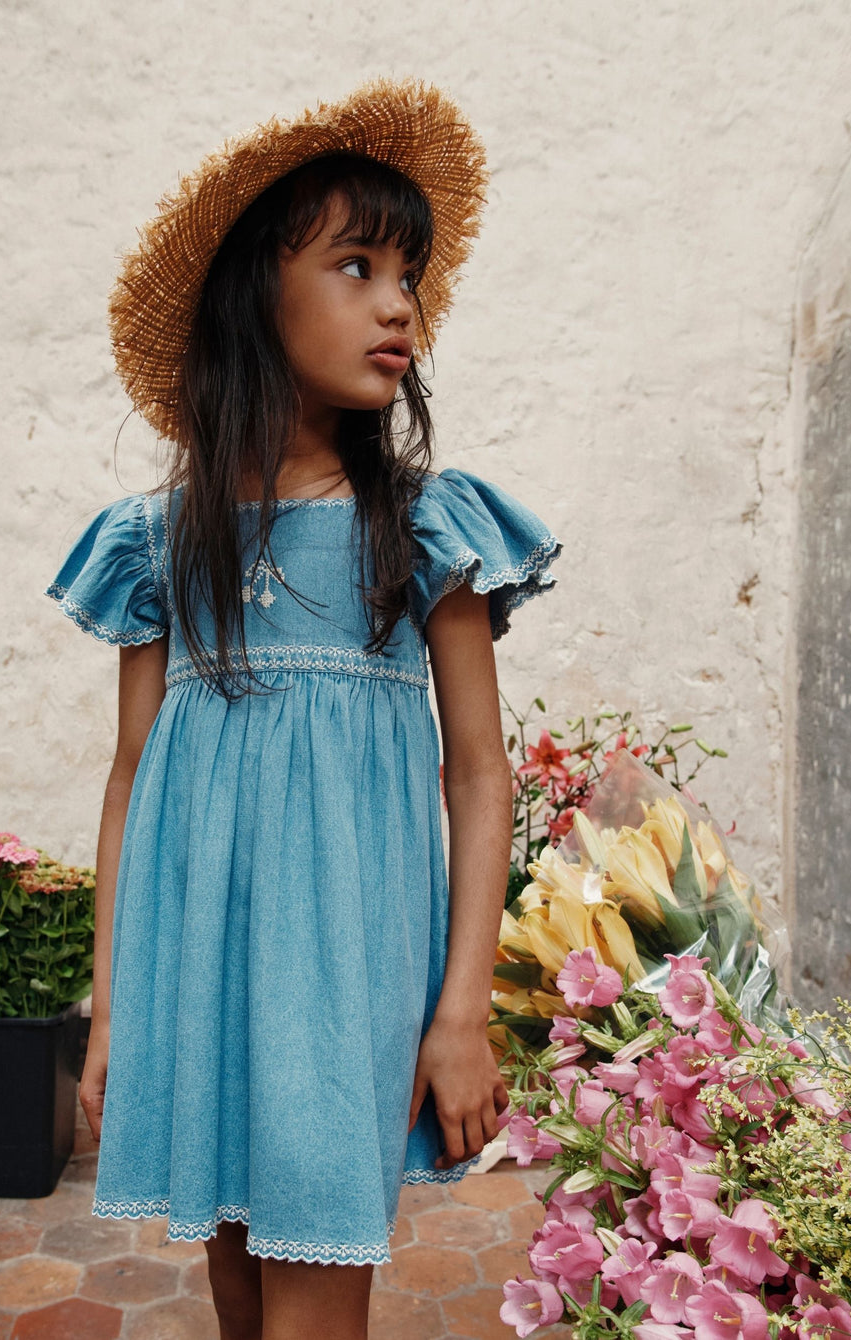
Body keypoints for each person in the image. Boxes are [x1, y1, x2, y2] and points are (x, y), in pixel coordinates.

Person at [47, 77, 560, 1340]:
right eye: (356, 264)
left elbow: (478, 773)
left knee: (311, 1299)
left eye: (409, 276)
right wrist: (113, 1002)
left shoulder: (423, 526)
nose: (400, 304)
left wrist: (460, 1010)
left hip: (345, 971)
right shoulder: (160, 542)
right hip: (197, 962)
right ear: (251, 295)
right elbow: (131, 771)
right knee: (234, 1282)